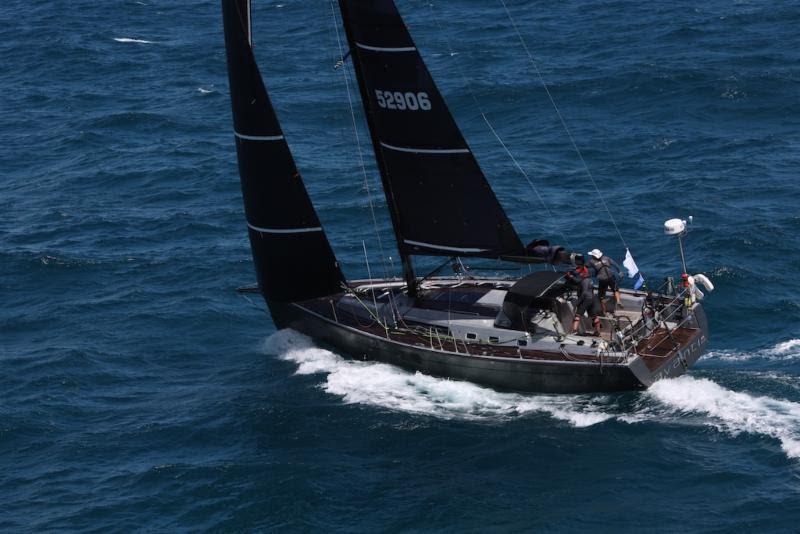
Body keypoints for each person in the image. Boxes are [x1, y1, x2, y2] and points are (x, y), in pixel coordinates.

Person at [565, 265, 601, 336]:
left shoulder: (584, 281)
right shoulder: (590, 280)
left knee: (577, 315)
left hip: (585, 299)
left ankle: (574, 331)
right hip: (592, 299)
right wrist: (572, 277)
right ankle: (597, 332)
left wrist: (578, 302)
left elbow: (584, 293)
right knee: (594, 317)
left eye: (580, 273)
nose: (579, 274)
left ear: (582, 274)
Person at [587, 249, 623, 315]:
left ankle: (604, 312)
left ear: (594, 256)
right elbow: (615, 264)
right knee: (615, 290)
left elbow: (585, 267)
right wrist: (619, 271)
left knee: (601, 296)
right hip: (611, 276)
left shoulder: (591, 261)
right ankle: (618, 301)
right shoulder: (606, 258)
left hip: (602, 279)